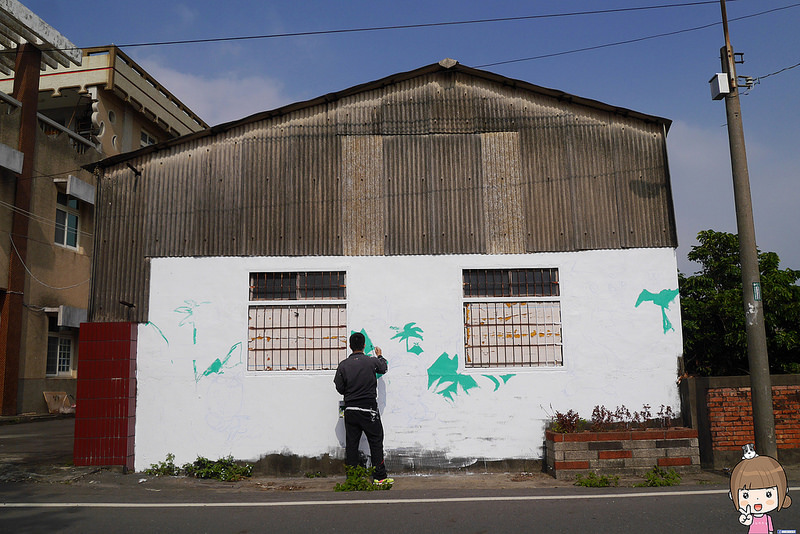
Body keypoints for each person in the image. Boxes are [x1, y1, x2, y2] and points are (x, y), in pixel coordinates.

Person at [334, 332, 392, 484]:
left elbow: (339, 387)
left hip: (351, 410)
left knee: (352, 444)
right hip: (368, 409)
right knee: (376, 441)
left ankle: (353, 478)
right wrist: (380, 356)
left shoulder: (343, 365)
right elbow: (384, 368)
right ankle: (379, 477)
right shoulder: (371, 361)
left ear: (350, 346)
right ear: (364, 346)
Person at [729, 445, 792, 533]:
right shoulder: (750, 517)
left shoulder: (767, 518)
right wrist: (745, 517)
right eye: (745, 495)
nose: (758, 500)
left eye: (768, 494)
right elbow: (745, 521)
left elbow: (770, 530)